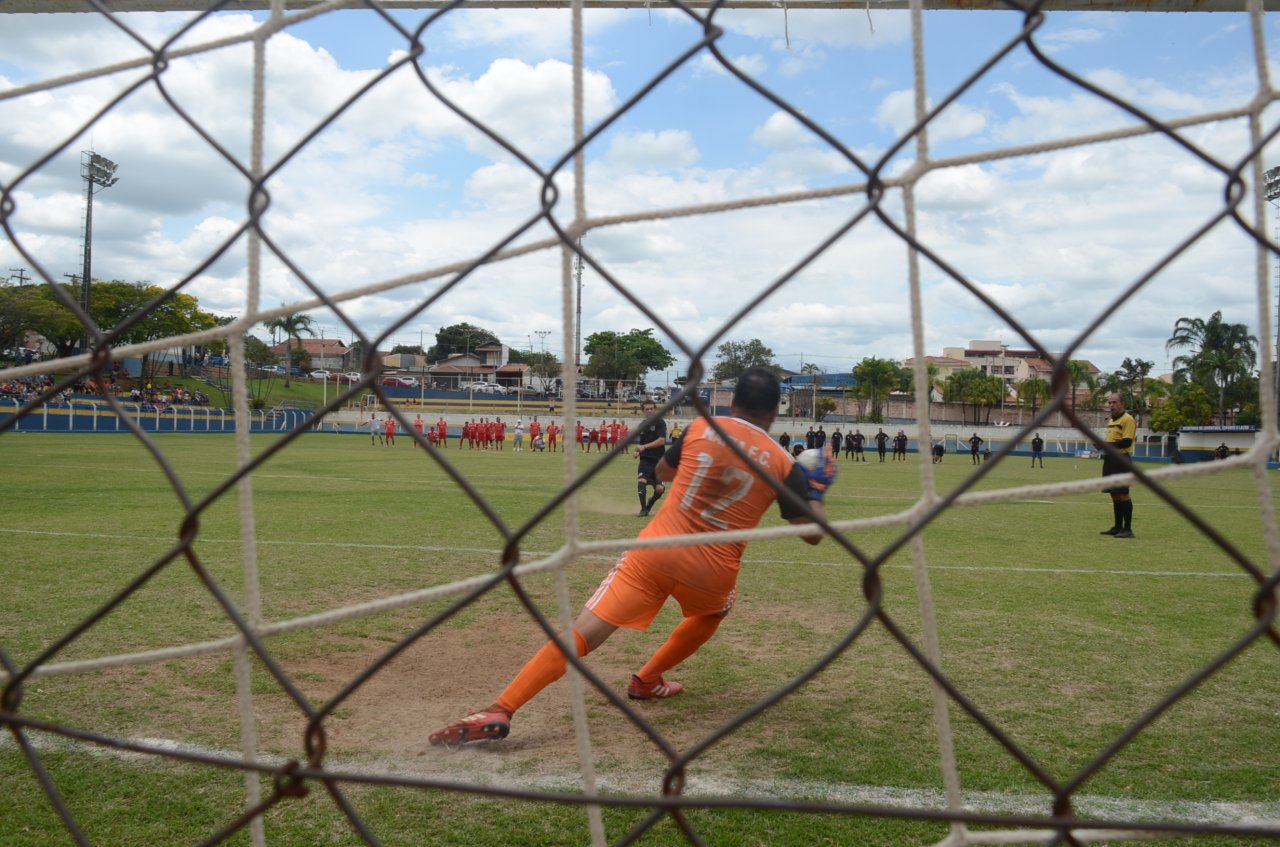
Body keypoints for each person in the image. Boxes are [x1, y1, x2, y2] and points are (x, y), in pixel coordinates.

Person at [427, 368, 836, 746]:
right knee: (713, 613)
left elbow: (662, 474)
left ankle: (501, 709)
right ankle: (648, 679)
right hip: (713, 569)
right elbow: (813, 534)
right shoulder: (783, 463)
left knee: (585, 632)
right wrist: (814, 490)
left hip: (657, 550)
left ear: (731, 402)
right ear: (776, 410)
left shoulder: (701, 428)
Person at [1100, 392, 1137, 539]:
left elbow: (1126, 442)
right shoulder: (1111, 420)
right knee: (1114, 493)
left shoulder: (1128, 420)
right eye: (1109, 403)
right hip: (1110, 459)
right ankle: (1117, 527)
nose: (1111, 405)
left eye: (1114, 402)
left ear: (1122, 404)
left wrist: (1106, 444)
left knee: (1123, 494)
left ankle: (1128, 529)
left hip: (1121, 459)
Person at [633, 400, 668, 517]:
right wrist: (637, 451)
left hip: (659, 461)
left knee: (659, 489)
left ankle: (649, 504)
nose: (650, 411)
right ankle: (643, 509)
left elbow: (661, 441)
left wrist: (644, 447)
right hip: (646, 460)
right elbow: (642, 444)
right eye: (647, 409)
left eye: (651, 409)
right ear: (643, 411)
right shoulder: (641, 426)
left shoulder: (660, 423)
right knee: (642, 481)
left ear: (655, 409)